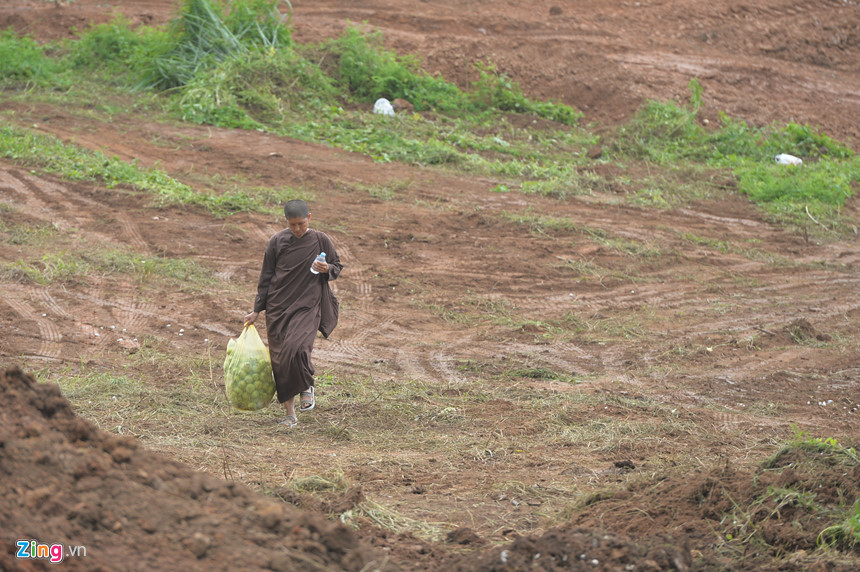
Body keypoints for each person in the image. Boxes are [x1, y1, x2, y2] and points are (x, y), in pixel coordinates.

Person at [244, 200, 343, 428]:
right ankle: (290, 415)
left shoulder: (321, 240)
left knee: (297, 347)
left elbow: (337, 266)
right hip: (278, 307)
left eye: (301, 224)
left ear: (309, 217)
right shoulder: (277, 241)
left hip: (307, 305)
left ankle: (306, 384)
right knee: (280, 361)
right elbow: (266, 277)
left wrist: (327, 268)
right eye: (292, 225)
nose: (297, 229)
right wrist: (257, 309)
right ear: (286, 222)